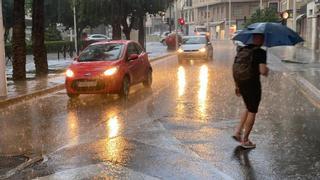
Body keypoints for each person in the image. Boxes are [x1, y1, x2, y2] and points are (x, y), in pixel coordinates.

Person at [232, 33, 269, 149]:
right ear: (262, 40)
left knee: (248, 107)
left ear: (252, 38)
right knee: (252, 110)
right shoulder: (261, 52)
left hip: (241, 82)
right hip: (252, 84)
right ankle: (245, 140)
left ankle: (237, 132)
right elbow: (263, 71)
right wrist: (267, 70)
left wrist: (237, 85)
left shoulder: (243, 49)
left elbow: (235, 67)